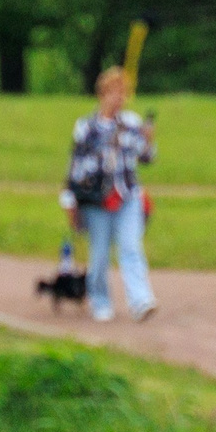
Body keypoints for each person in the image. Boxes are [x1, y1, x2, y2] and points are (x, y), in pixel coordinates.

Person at [60, 66, 157, 323]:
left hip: (127, 196)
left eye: (122, 92)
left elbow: (146, 157)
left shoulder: (131, 123)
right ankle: (100, 300)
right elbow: (76, 165)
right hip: (97, 201)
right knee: (100, 254)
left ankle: (140, 300)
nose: (118, 98)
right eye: (113, 92)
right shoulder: (86, 127)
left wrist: (148, 140)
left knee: (131, 247)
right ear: (102, 94)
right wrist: (69, 201)